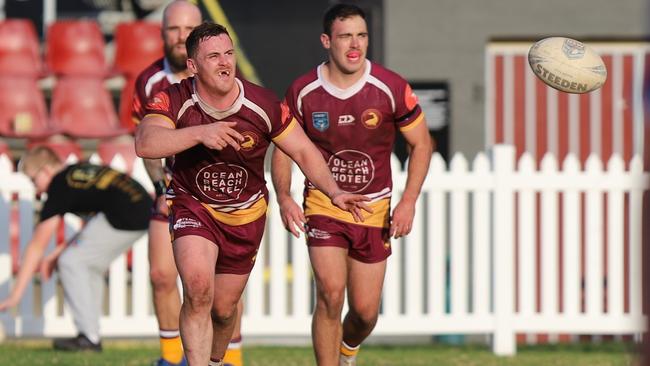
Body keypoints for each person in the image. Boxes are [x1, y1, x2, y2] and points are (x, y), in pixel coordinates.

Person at [134, 22, 371, 366]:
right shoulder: (173, 98)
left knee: (224, 309)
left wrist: (334, 191)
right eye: (213, 56)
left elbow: (304, 151)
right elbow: (146, 143)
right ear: (193, 66)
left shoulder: (262, 103)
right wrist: (200, 133)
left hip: (245, 215)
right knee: (198, 288)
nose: (225, 62)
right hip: (194, 205)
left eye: (228, 53)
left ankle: (214, 360)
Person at [270, 4, 433, 366]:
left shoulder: (390, 87)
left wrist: (408, 201)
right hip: (325, 205)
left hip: (374, 209)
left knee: (364, 313)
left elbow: (422, 144)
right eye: (345, 36)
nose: (355, 44)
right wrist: (284, 196)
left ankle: (347, 352)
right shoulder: (303, 90)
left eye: (361, 35)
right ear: (327, 41)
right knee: (330, 294)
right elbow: (283, 146)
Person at [131, 2, 241, 365]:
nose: (181, 37)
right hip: (173, 191)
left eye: (188, 28)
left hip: (218, 192)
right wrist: (161, 187)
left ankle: (231, 358)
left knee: (222, 293)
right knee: (161, 274)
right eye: (173, 29)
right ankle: (170, 358)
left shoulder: (226, 77)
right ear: (162, 34)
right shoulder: (149, 81)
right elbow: (145, 140)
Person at [0, 146, 151, 351]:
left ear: (45, 171)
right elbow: (99, 218)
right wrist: (59, 251)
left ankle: (88, 338)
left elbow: (37, 245)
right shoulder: (76, 173)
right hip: (140, 209)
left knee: (71, 262)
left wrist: (15, 295)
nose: (37, 191)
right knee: (89, 266)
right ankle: (90, 334)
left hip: (126, 214)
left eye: (35, 181)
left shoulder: (58, 185)